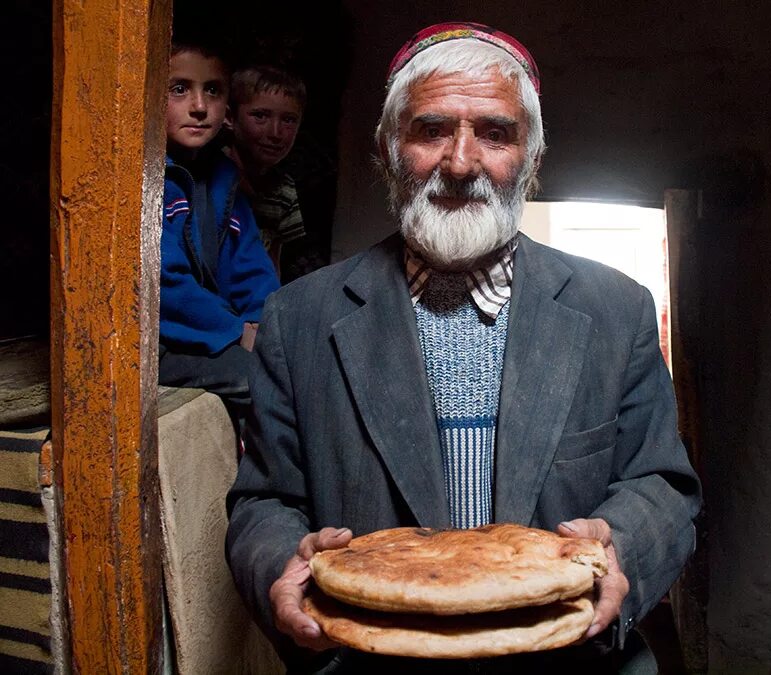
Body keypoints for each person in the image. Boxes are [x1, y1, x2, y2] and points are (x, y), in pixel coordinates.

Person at [226, 22, 701, 674]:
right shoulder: (300, 318)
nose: (460, 161)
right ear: (388, 151)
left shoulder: (615, 310)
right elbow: (264, 501)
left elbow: (662, 484)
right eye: (430, 130)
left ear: (531, 159)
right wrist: (281, 565)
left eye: (495, 133)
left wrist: (620, 546)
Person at [159, 40, 280, 419]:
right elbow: (163, 283)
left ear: (226, 106)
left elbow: (252, 269)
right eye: (179, 89)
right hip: (158, 343)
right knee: (266, 383)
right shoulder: (148, 179)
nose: (198, 106)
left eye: (212, 90)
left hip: (208, 334)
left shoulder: (222, 180)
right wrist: (235, 332)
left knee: (295, 367)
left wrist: (267, 326)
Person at [224, 66, 315, 282]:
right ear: (229, 117)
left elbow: (273, 262)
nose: (275, 133)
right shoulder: (208, 178)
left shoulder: (284, 189)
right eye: (260, 116)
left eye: (288, 120)